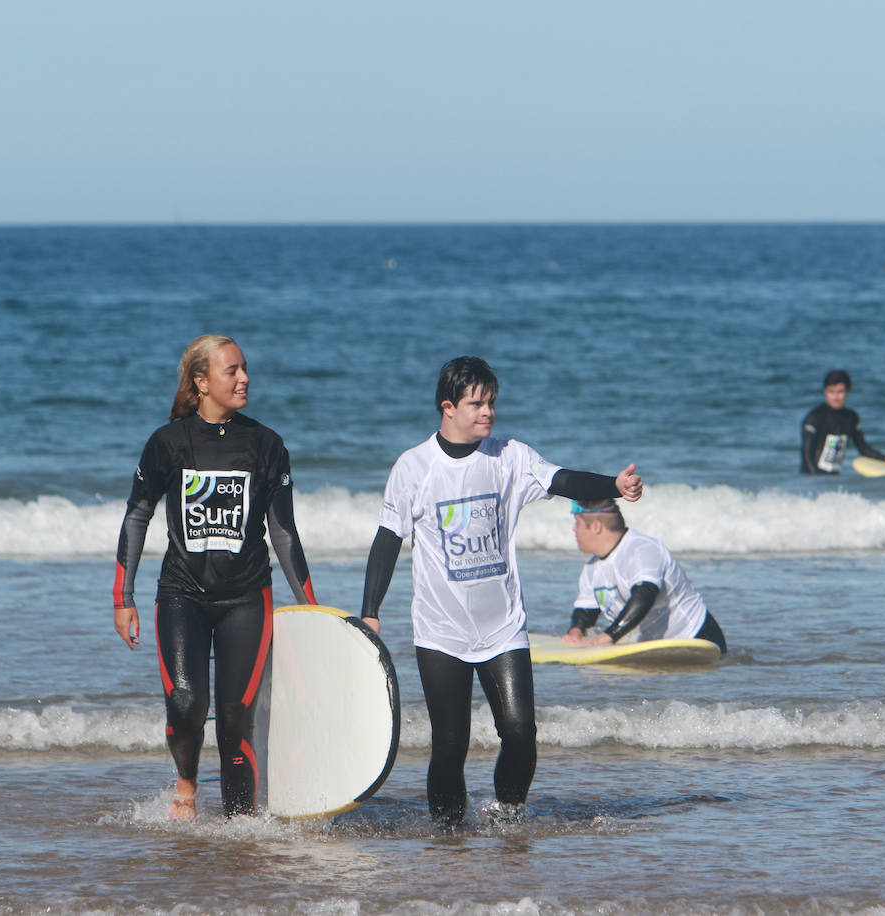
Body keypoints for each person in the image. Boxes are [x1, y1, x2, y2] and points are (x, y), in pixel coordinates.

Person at [359, 356, 643, 828]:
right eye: (476, 403)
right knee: (451, 742)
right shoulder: (413, 467)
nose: (488, 411)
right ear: (448, 407)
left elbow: (561, 479)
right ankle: (448, 832)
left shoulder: (510, 457)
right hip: (440, 630)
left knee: (520, 733)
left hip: (503, 627)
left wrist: (611, 485)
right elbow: (388, 540)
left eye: (491, 402)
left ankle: (507, 817)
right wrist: (370, 611)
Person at [111, 334, 317, 820]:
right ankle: (186, 786)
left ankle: (240, 825)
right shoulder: (167, 443)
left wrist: (312, 607)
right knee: (184, 704)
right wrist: (124, 597)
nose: (244, 378)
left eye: (245, 368)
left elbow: (284, 533)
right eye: (232, 371)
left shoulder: (266, 445)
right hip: (181, 593)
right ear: (201, 382)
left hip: (246, 597)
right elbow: (137, 516)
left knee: (234, 720)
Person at [561, 498, 726, 653]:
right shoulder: (592, 567)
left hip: (696, 640)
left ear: (597, 526)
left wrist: (605, 638)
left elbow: (645, 595)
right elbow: (586, 611)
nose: (574, 529)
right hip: (652, 650)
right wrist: (576, 632)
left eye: (577, 523)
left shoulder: (642, 549)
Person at [801, 369, 885, 475]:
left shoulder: (851, 418)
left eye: (840, 392)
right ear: (825, 391)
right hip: (812, 479)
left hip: (833, 478)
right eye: (831, 392)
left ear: (848, 391)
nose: (835, 397)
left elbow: (864, 449)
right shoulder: (814, 417)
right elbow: (807, 456)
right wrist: (815, 480)